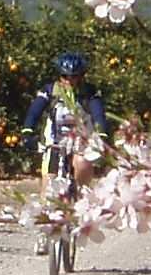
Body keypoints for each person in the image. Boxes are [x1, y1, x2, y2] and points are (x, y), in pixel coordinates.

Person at [20, 52, 107, 247]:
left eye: (74, 76)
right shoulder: (50, 91)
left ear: (81, 76)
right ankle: (44, 232)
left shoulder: (89, 92)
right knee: (48, 184)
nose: (69, 81)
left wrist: (102, 134)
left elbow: (99, 115)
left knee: (83, 163)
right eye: (64, 76)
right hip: (56, 141)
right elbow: (34, 112)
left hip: (81, 140)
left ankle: (80, 199)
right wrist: (27, 131)